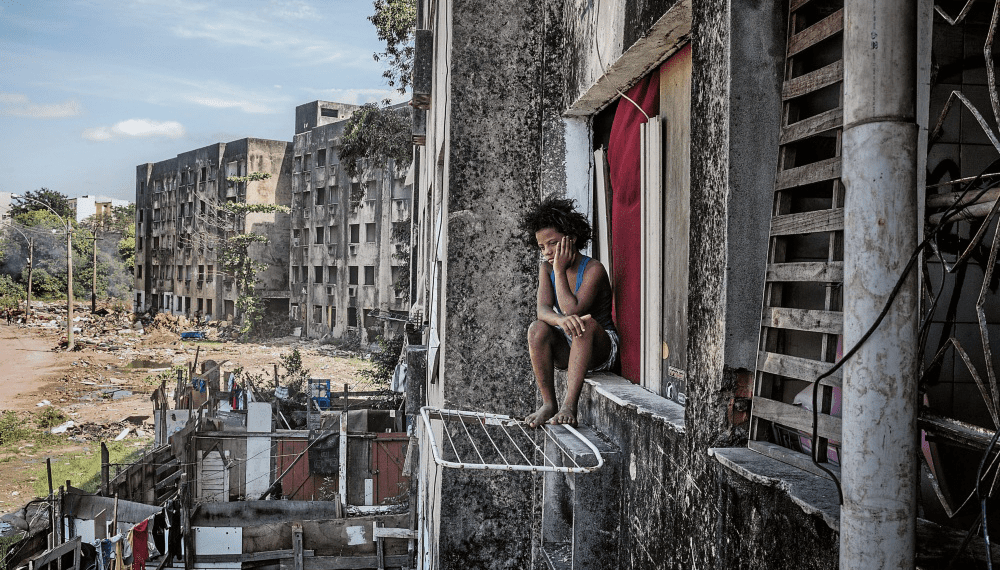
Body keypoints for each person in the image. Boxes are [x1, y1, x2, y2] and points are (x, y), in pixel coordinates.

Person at [520, 197, 619, 428]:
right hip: (570, 344)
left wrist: (559, 269)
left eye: (552, 244)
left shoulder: (593, 269)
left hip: (600, 348)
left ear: (571, 238)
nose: (546, 252)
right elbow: (542, 310)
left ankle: (569, 406)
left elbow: (571, 308)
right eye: (542, 247)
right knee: (537, 329)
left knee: (584, 323)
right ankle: (548, 403)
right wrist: (560, 321)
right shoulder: (546, 269)